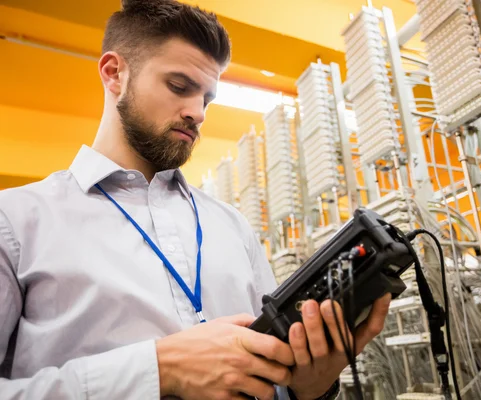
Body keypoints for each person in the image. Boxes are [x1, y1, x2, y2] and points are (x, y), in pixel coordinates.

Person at [0, 0, 391, 399]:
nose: (198, 113)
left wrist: (310, 388)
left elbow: (276, 377)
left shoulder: (232, 226)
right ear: (115, 73)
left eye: (206, 98)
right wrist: (159, 369)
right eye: (179, 86)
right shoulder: (15, 221)